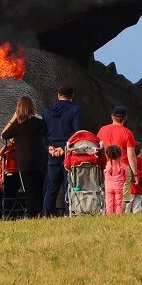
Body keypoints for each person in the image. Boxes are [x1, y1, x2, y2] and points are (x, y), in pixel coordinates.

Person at [2, 97, 47, 219]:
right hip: (40, 161)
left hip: (24, 163)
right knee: (40, 189)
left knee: (29, 191)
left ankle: (32, 214)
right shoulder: (39, 123)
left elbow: (4, 134)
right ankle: (41, 213)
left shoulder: (17, 125)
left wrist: (13, 119)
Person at [41, 85, 82, 216]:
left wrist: (49, 148)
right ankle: (68, 212)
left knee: (52, 186)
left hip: (52, 153)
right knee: (68, 185)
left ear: (58, 95)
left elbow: (43, 134)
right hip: (68, 152)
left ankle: (47, 214)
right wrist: (65, 148)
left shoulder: (47, 111)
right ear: (72, 96)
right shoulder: (75, 110)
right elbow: (78, 133)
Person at [98, 107, 139, 185]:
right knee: (124, 197)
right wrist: (135, 174)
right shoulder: (127, 133)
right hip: (122, 169)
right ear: (125, 118)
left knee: (108, 195)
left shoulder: (102, 130)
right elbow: (131, 155)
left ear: (112, 117)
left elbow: (98, 149)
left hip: (106, 168)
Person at [103, 145, 128, 215]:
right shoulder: (123, 166)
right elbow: (125, 178)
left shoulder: (106, 165)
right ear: (119, 154)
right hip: (119, 187)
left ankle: (110, 215)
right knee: (118, 203)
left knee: (109, 203)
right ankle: (118, 216)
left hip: (108, 187)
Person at [127, 144, 142, 212]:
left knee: (126, 212)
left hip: (128, 191)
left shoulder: (125, 162)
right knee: (137, 212)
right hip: (138, 191)